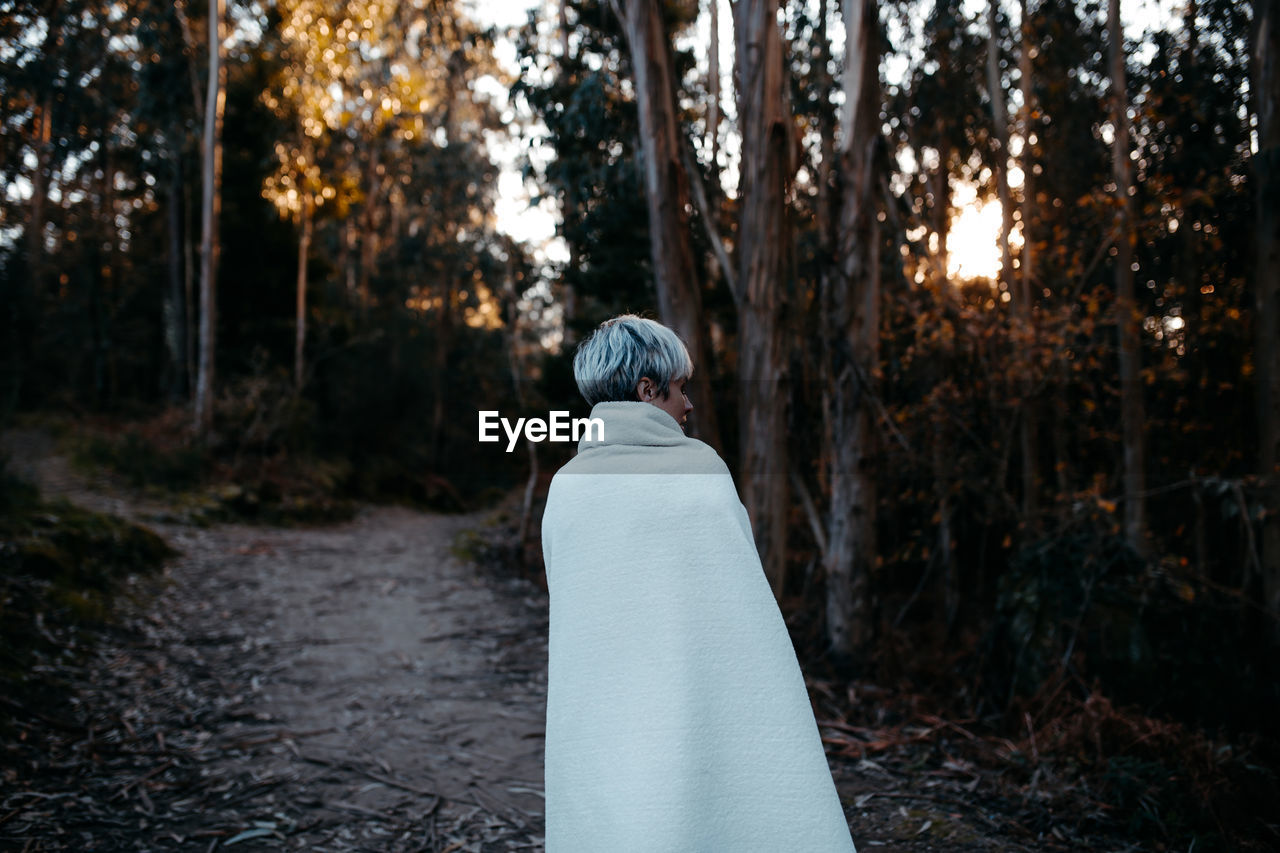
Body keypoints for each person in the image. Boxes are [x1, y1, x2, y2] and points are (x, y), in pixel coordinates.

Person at [540, 314, 856, 852]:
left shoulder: (566, 487)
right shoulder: (701, 470)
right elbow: (739, 611)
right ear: (647, 390)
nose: (688, 405)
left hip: (599, 708)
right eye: (681, 389)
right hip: (697, 700)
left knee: (618, 811)